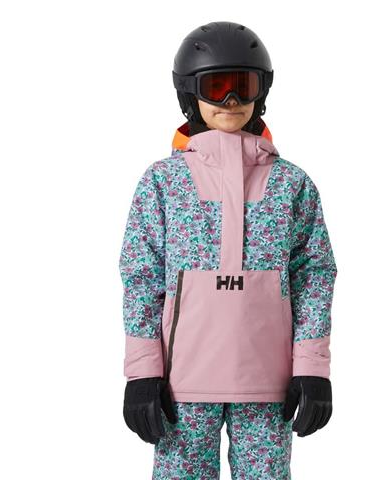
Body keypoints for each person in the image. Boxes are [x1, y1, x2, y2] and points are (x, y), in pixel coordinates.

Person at [118, 20, 338, 479]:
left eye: (244, 86)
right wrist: (142, 373)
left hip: (268, 381)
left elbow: (314, 276)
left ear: (263, 91)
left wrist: (312, 368)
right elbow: (141, 277)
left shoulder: (291, 183)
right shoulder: (162, 182)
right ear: (190, 94)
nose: (231, 101)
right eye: (216, 87)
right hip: (182, 383)